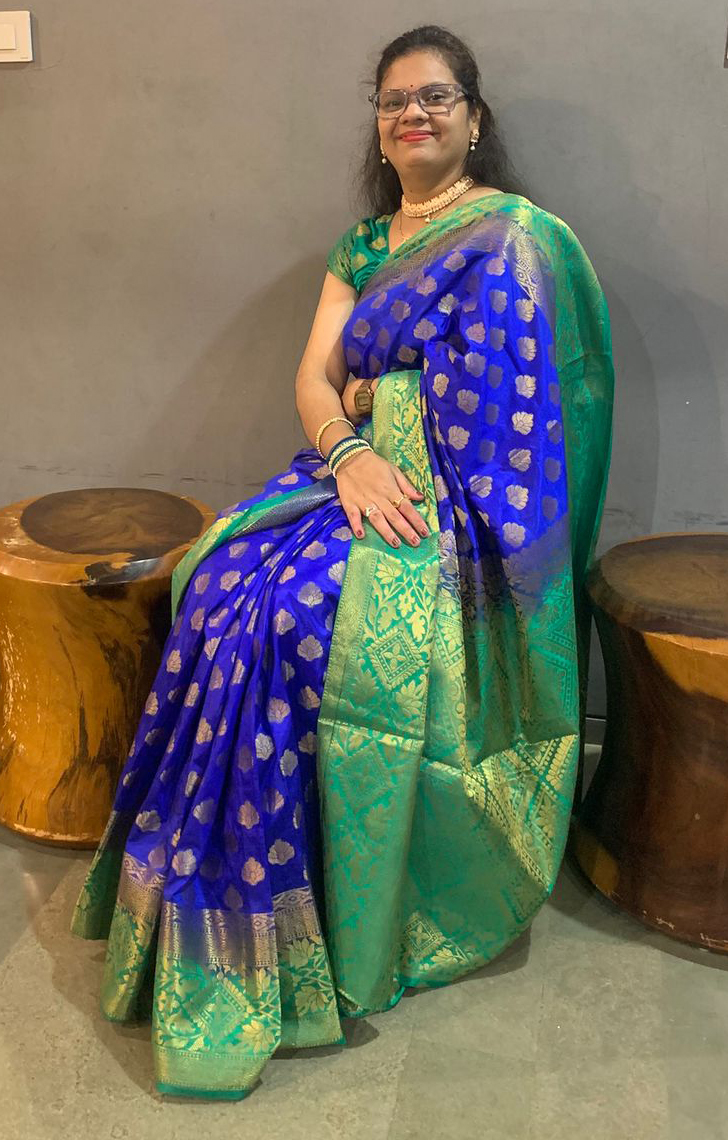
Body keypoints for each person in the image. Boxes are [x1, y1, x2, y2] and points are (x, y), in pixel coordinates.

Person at [71, 24, 614, 1100]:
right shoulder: (362, 249)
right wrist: (351, 445)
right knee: (219, 586)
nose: (412, 114)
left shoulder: (512, 238)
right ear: (377, 124)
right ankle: (223, 902)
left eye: (434, 97)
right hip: (348, 474)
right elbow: (314, 380)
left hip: (460, 513)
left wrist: (394, 396)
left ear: (473, 118)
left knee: (298, 616)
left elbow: (535, 408)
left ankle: (319, 912)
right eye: (392, 100)